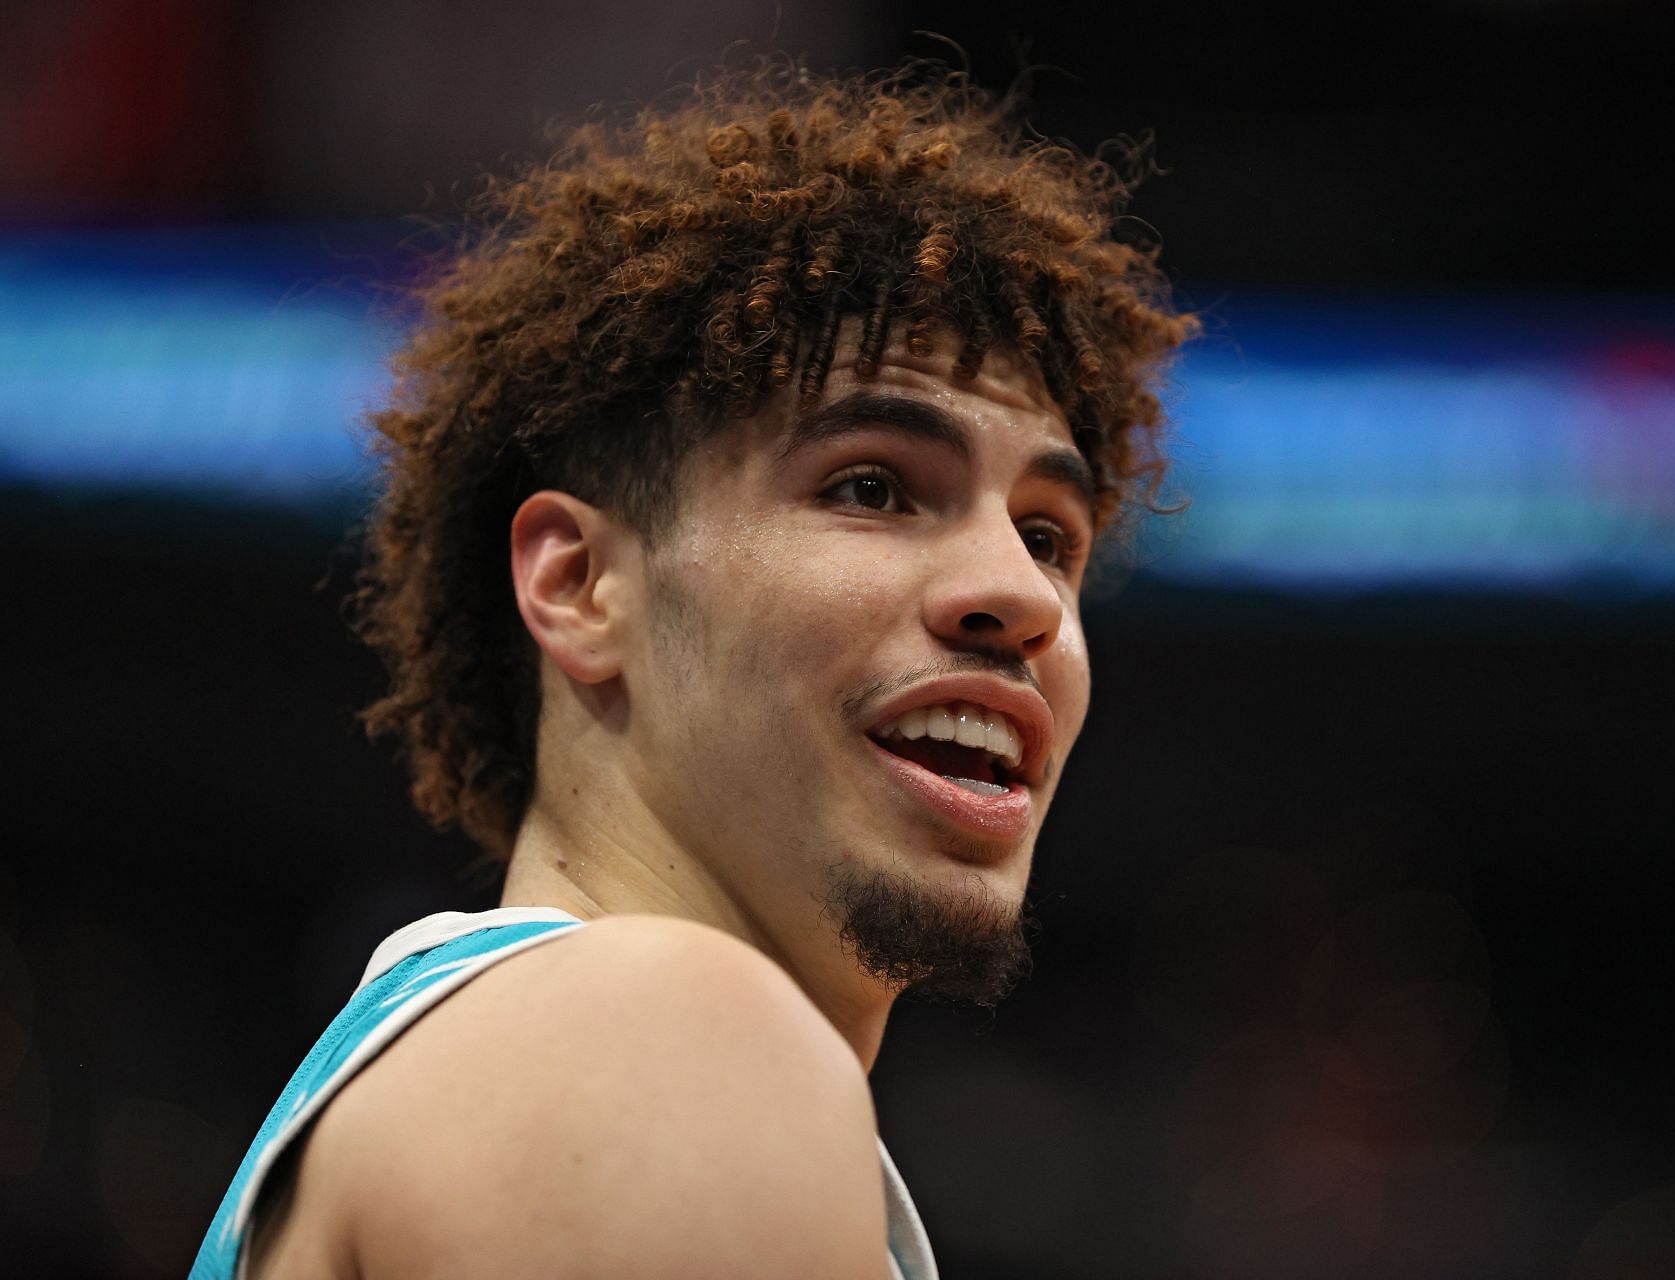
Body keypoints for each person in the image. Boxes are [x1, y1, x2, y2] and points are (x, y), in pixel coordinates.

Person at [192, 60, 1196, 1280]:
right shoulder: (655, 1032)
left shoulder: (487, 1053)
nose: (1025, 595)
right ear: (579, 585)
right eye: (871, 487)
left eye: (1050, 536)